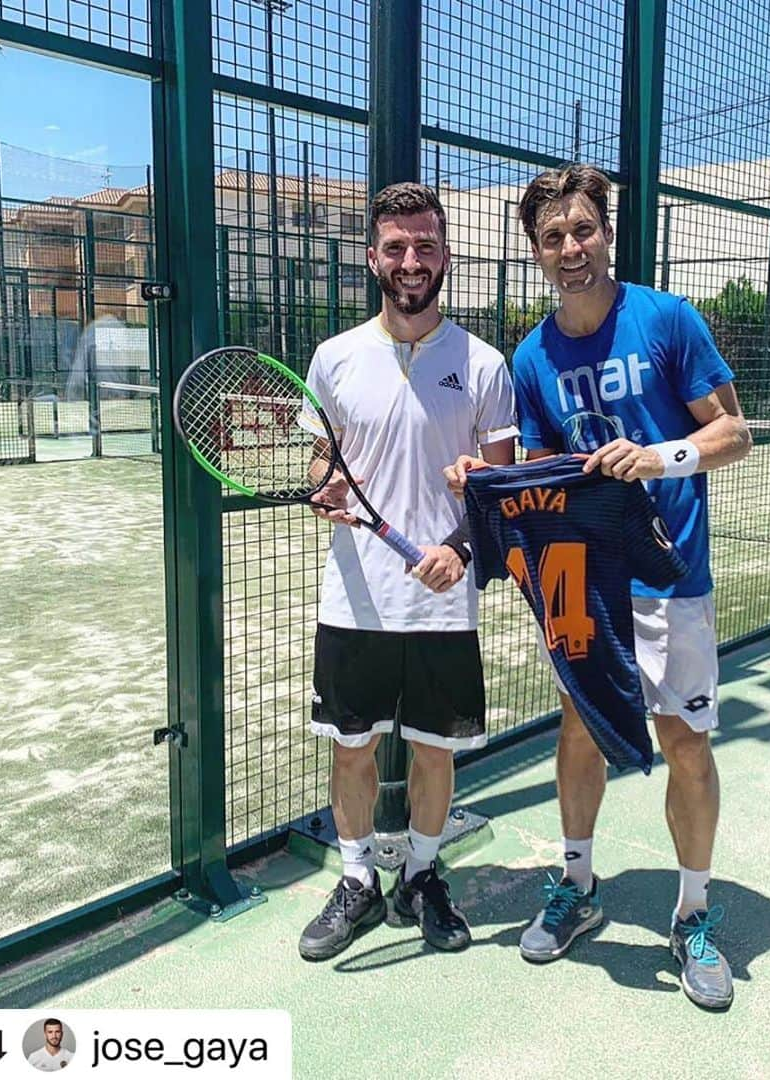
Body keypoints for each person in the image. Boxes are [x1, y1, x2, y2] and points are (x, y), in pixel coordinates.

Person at [446, 164, 751, 1009]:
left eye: (583, 230)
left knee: (686, 743)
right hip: (583, 578)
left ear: (606, 232)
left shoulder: (667, 320)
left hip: (670, 574)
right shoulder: (532, 355)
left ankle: (693, 914)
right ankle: (578, 888)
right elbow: (545, 468)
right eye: (553, 237)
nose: (571, 248)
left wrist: (660, 456)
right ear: (535, 251)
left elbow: (735, 432)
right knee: (579, 733)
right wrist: (486, 478)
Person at [297, 182, 517, 962]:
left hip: (443, 603)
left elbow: (500, 492)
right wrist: (325, 481)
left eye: (425, 245)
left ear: (446, 255)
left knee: (433, 750)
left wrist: (458, 549)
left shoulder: (484, 364)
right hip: (354, 598)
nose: (411, 260)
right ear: (372, 259)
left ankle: (421, 875)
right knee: (351, 749)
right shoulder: (334, 359)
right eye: (396, 247)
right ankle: (357, 878)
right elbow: (326, 458)